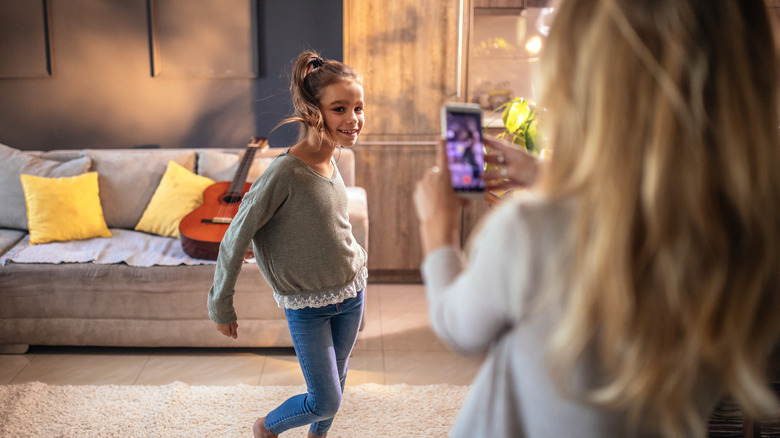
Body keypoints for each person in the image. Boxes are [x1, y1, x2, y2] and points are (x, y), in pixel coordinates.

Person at [413, 0, 780, 436]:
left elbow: (460, 327)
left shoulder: (531, 229)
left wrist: (439, 233)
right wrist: (546, 173)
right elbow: (648, 191)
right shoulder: (751, 233)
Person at [208, 51, 368, 438]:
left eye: (358, 107)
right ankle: (267, 428)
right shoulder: (284, 171)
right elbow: (236, 235)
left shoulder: (332, 160)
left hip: (352, 290)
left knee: (338, 383)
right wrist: (220, 304)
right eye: (340, 108)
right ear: (314, 111)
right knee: (326, 399)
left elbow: (317, 224)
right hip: (308, 306)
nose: (353, 119)